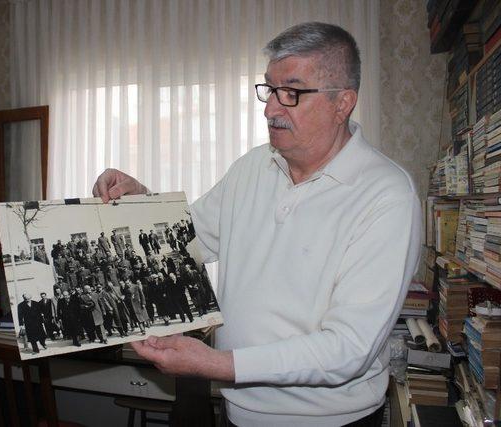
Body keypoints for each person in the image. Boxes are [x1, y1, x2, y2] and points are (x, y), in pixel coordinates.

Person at [92, 22, 421, 426]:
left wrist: (219, 364)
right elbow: (187, 237)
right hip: (239, 413)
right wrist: (140, 197)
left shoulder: (386, 194)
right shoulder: (253, 165)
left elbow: (348, 349)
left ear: (343, 103)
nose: (270, 109)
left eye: (292, 93)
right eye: (269, 89)